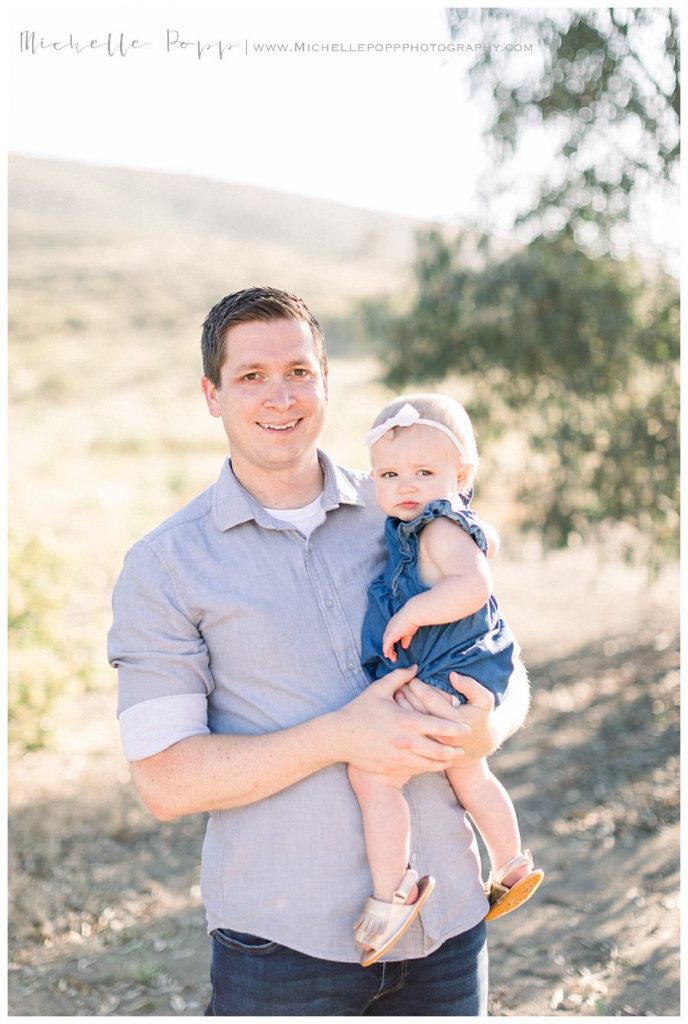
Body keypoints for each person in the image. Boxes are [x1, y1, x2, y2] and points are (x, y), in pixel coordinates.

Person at [107, 286, 531, 1016]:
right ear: (211, 395)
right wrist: (340, 735)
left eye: (300, 371)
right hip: (283, 952)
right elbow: (165, 782)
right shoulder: (167, 566)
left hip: (451, 931)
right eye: (251, 376)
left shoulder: (405, 505)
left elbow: (504, 657)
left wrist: (489, 725)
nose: (281, 396)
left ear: (327, 383)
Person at [349, 395, 543, 967]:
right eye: (389, 474)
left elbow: (473, 586)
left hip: (445, 672)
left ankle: (395, 890)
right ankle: (510, 862)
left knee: (372, 775)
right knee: (468, 771)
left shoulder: (437, 529)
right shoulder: (421, 526)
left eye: (425, 472)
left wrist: (411, 614)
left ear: (460, 478)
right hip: (460, 673)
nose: (406, 485)